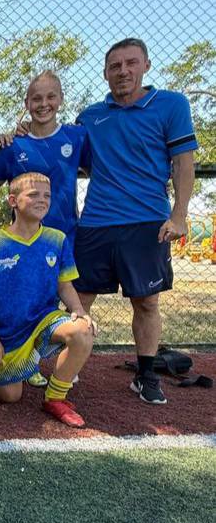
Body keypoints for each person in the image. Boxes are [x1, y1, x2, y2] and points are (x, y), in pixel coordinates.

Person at [74, 39, 197, 405]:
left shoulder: (172, 105)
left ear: (146, 65)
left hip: (147, 223)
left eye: (131, 63)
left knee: (146, 303)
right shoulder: (89, 116)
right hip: (96, 222)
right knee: (78, 300)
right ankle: (67, 369)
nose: (123, 71)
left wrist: (179, 215)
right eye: (115, 66)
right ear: (105, 73)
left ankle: (145, 376)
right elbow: (77, 161)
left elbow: (184, 163)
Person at [0, 172, 95, 427]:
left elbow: (64, 284)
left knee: (82, 330)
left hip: (44, 320)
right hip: (8, 333)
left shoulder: (57, 239)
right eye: (33, 194)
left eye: (47, 196)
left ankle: (55, 397)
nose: (42, 200)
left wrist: (79, 309)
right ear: (13, 201)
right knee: (10, 396)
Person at [0, 71, 87, 250]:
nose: (44, 104)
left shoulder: (77, 137)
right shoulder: (12, 146)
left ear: (61, 98)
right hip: (24, 245)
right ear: (26, 103)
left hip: (67, 242)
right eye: (36, 99)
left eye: (51, 97)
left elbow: (100, 172)